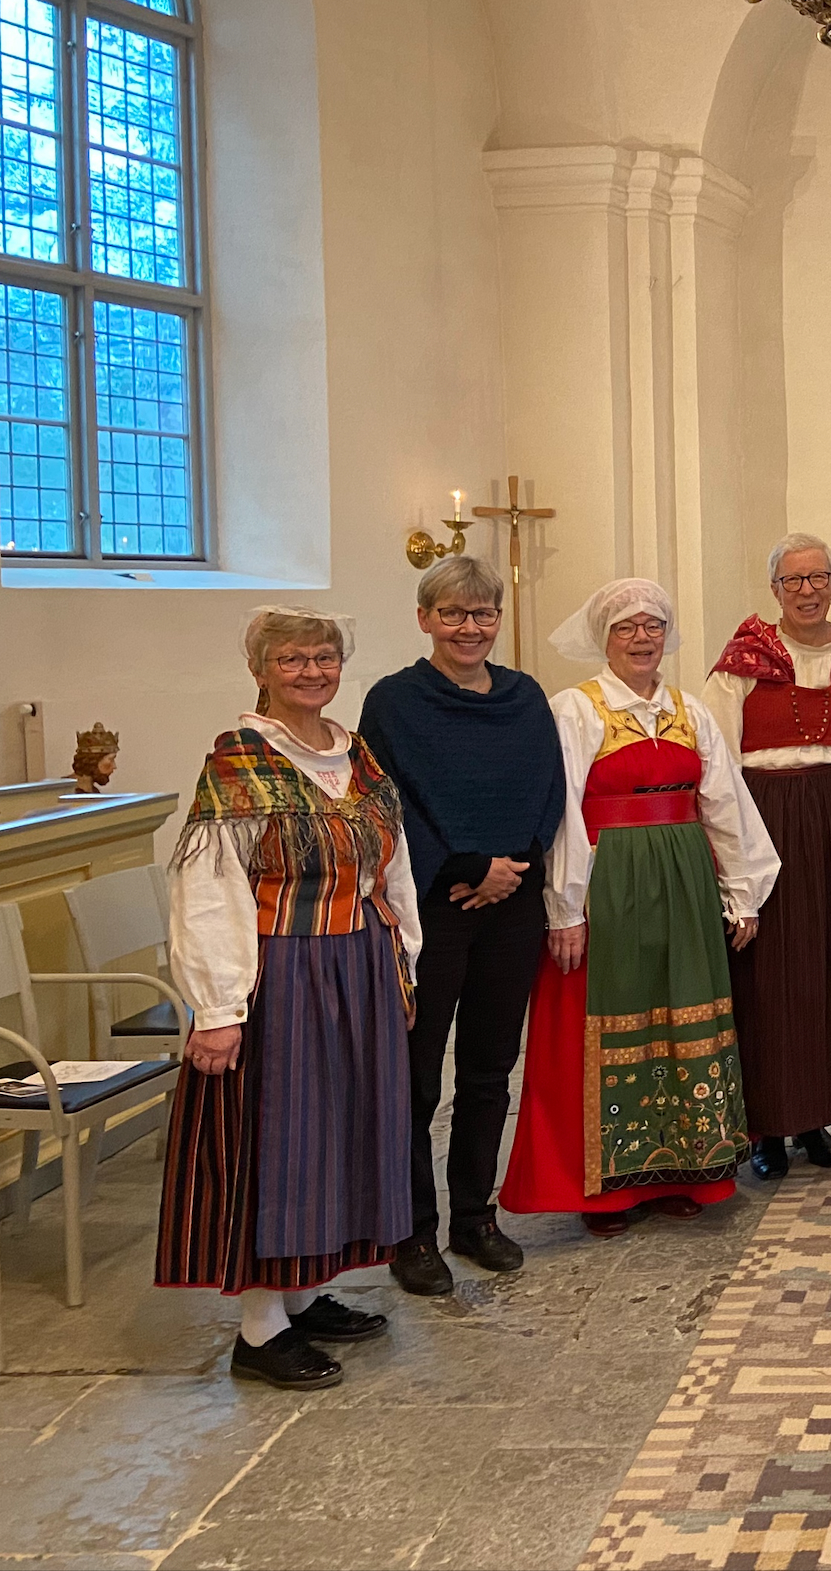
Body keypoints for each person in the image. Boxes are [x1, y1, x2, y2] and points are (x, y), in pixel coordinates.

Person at [158, 607, 422, 1390]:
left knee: (342, 1134)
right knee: (283, 1143)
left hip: (360, 966)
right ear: (262, 671)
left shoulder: (356, 754)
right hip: (285, 975)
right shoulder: (239, 762)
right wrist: (217, 1007)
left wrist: (403, 961)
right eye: (293, 660)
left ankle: (305, 1297)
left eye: (325, 658)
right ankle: (259, 1328)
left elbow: (392, 865)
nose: (311, 672)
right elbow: (209, 890)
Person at [501, 579, 779, 1234]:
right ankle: (605, 1190)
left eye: (653, 625)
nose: (642, 638)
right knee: (608, 1025)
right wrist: (566, 908)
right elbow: (562, 810)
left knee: (683, 1021)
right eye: (626, 627)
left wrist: (744, 894)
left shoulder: (690, 709)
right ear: (605, 637)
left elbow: (726, 805)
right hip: (611, 884)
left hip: (684, 883)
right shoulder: (575, 709)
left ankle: (683, 1170)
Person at [358, 555, 565, 1298]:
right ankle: (411, 1231)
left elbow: (550, 786)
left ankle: (473, 1218)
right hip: (431, 907)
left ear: (498, 620)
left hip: (511, 904)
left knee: (487, 1069)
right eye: (452, 614)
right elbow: (388, 798)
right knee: (416, 1076)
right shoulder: (394, 701)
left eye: (482, 614)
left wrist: (514, 865)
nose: (469, 627)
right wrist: (463, 867)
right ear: (424, 619)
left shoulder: (523, 696)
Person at [701, 534, 831, 1180]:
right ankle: (767, 1124)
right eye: (794, 581)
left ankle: (817, 1118)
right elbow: (717, 763)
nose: (808, 590)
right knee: (772, 974)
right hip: (767, 819)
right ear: (775, 590)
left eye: (819, 577)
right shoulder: (739, 664)